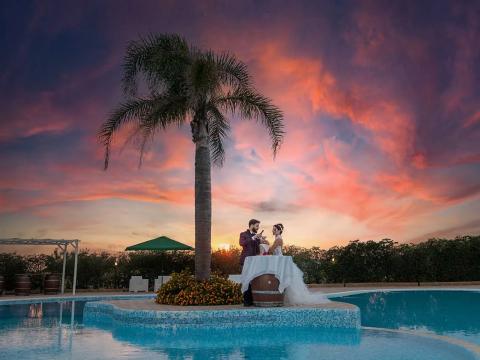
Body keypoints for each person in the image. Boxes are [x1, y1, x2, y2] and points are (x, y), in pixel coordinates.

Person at [239, 219, 269, 306]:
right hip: (245, 261)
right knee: (246, 280)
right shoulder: (243, 234)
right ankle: (247, 302)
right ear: (251, 225)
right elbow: (242, 243)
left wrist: (261, 240)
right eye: (257, 226)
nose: (258, 227)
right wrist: (253, 238)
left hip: (255, 261)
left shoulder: (256, 236)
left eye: (258, 226)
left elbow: (258, 248)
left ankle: (254, 300)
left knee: (255, 279)